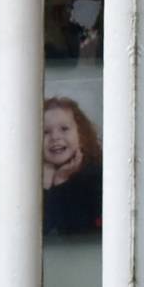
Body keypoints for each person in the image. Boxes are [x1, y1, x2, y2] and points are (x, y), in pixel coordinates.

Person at [42, 96, 104, 237]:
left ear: (81, 135)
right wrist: (45, 185)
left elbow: (75, 234)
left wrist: (61, 182)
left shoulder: (95, 177)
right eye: (45, 132)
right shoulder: (28, 180)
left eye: (64, 129)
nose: (55, 137)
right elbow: (38, 232)